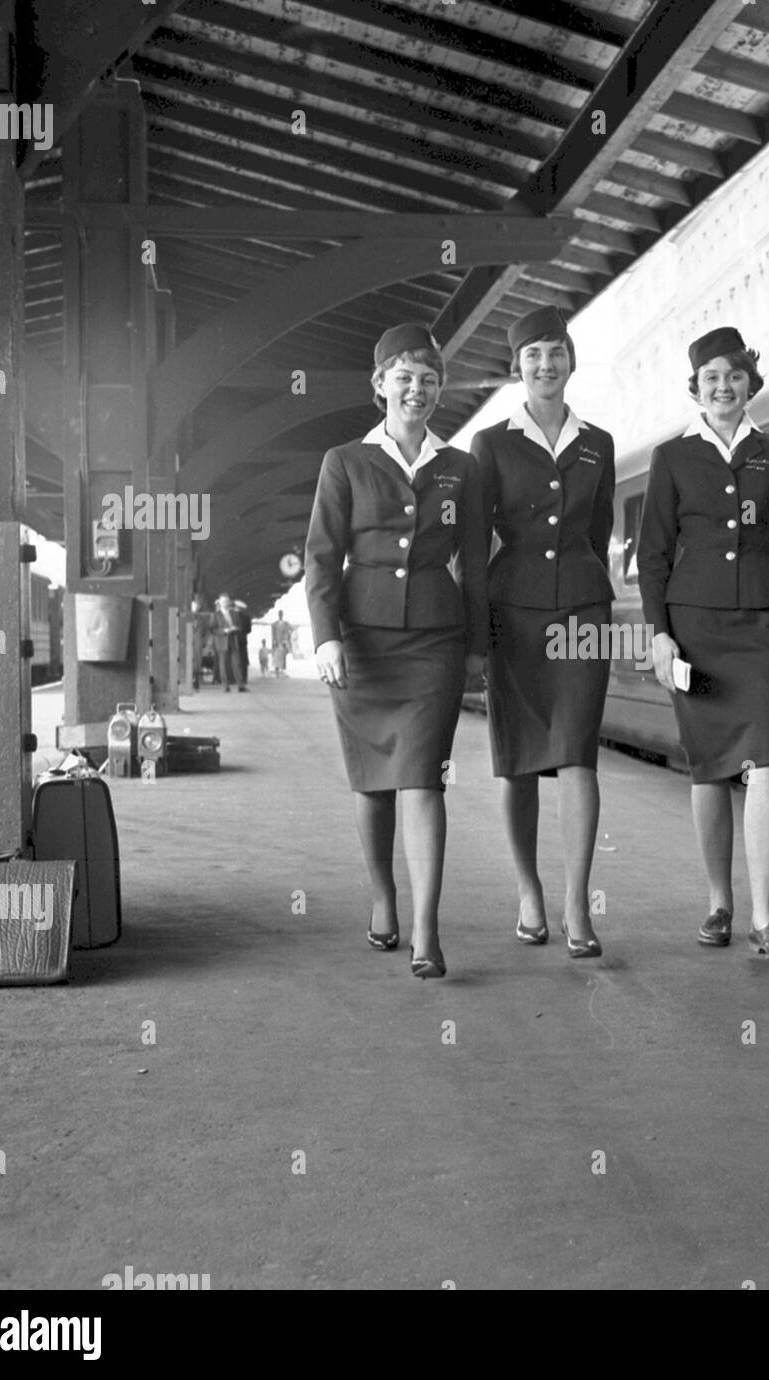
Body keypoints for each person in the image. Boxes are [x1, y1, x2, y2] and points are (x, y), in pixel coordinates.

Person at [305, 323, 488, 980]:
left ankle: (426, 931)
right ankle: (382, 895)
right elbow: (321, 557)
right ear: (381, 385)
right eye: (404, 377)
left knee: (421, 777)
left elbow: (476, 564)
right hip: (361, 643)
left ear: (441, 390)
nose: (417, 389)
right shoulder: (345, 462)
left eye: (429, 378)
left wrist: (478, 649)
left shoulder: (461, 467)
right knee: (373, 783)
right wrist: (326, 636)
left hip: (435, 643)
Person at [638, 326, 769, 960]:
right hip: (696, 627)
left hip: (764, 627)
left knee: (767, 762)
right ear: (696, 388)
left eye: (734, 375)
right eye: (711, 377)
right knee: (709, 768)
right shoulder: (672, 457)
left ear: (749, 382)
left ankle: (766, 915)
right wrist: (659, 634)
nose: (723, 386)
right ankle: (719, 903)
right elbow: (653, 556)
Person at [470, 306, 615, 959]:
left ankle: (577, 905)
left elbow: (598, 529)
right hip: (514, 611)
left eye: (555, 351)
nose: (545, 364)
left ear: (571, 359)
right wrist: (475, 630)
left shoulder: (598, 443)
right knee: (519, 759)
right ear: (518, 366)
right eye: (532, 354)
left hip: (583, 611)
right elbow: (474, 543)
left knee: (578, 751)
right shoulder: (492, 444)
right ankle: (529, 892)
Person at [213, 594, 245, 692]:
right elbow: (213, 629)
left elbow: (240, 626)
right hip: (222, 642)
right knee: (223, 665)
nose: (225, 603)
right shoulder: (216, 615)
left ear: (229, 602)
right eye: (223, 601)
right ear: (220, 602)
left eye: (226, 601)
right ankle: (225, 686)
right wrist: (224, 631)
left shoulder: (235, 613)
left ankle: (240, 686)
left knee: (236, 663)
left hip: (233, 640)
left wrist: (235, 628)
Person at [271, 609, 292, 676]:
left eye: (281, 614)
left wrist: (286, 639)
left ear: (282, 615)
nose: (280, 615)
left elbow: (290, 631)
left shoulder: (285, 624)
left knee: (283, 657)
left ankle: (282, 670)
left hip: (283, 643)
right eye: (280, 614)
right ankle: (277, 670)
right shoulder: (275, 624)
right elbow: (273, 634)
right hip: (277, 643)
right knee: (276, 657)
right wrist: (274, 642)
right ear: (278, 615)